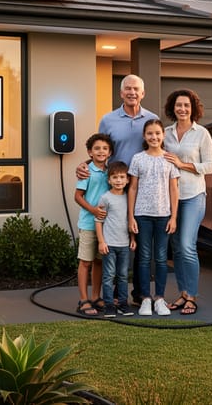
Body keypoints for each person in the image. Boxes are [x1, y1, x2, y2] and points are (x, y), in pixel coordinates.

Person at [78, 74, 158, 304]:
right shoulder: (108, 120)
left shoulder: (152, 119)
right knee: (112, 239)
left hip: (144, 189)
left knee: (139, 244)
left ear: (143, 93)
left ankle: (140, 294)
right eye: (128, 89)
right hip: (114, 188)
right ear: (121, 93)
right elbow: (99, 149)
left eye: (136, 89)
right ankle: (110, 294)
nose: (132, 92)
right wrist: (84, 164)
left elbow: (159, 148)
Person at [163, 89, 212, 315]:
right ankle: (183, 294)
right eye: (178, 105)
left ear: (193, 108)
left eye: (186, 105)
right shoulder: (165, 133)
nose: (182, 109)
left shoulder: (202, 134)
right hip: (170, 196)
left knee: (186, 245)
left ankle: (192, 296)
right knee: (176, 248)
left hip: (193, 195)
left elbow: (210, 166)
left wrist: (182, 164)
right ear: (172, 108)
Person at [128, 118, 179, 316]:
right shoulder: (138, 159)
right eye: (150, 133)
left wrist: (174, 217)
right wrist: (130, 216)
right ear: (144, 136)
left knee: (160, 258)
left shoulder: (169, 159)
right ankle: (145, 299)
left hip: (163, 216)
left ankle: (159, 298)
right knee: (143, 258)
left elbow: (174, 189)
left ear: (163, 135)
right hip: (142, 215)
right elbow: (132, 188)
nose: (154, 137)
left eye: (157, 133)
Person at [73, 133, 113, 316]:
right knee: (85, 262)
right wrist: (94, 211)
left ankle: (96, 297)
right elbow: (77, 197)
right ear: (90, 152)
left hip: (104, 226)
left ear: (110, 152)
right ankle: (83, 299)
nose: (101, 151)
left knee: (98, 261)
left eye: (105, 148)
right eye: (97, 148)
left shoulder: (110, 172)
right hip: (89, 223)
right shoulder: (87, 170)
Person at [95, 161, 136, 318]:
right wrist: (101, 241)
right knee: (108, 275)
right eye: (115, 177)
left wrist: (133, 238)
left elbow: (129, 220)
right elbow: (98, 221)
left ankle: (123, 304)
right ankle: (109, 305)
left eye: (122, 177)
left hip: (124, 244)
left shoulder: (129, 198)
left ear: (127, 180)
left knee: (123, 275)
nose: (118, 180)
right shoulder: (106, 198)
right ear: (109, 180)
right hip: (109, 245)